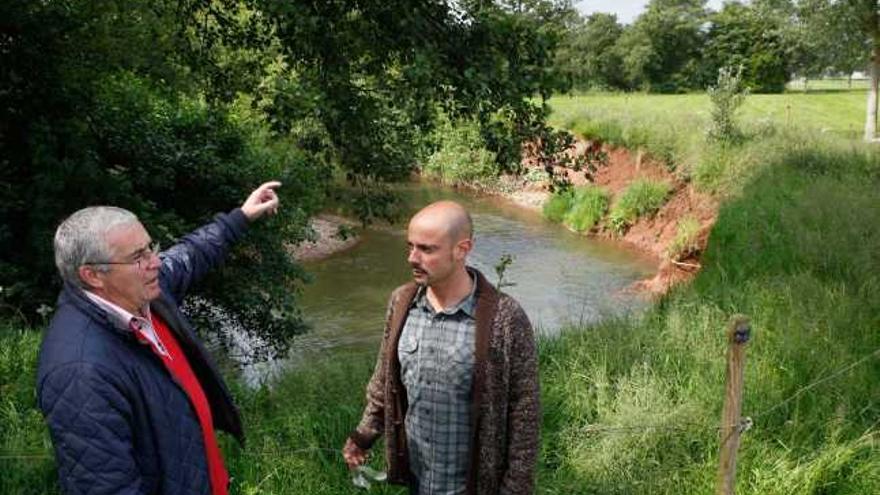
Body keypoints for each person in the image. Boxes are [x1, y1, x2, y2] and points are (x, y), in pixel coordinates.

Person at [36, 181, 282, 495]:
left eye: (151, 247)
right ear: (93, 275)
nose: (155, 262)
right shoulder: (81, 371)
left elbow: (191, 254)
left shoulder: (142, 292)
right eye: (138, 256)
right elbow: (107, 487)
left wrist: (241, 217)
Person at [342, 201, 540, 495]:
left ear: (462, 249)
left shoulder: (505, 318)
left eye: (427, 249)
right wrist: (363, 435)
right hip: (418, 483)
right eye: (410, 246)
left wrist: (515, 488)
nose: (412, 257)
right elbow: (385, 379)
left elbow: (525, 413)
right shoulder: (401, 303)